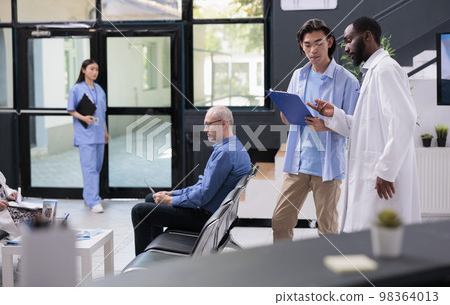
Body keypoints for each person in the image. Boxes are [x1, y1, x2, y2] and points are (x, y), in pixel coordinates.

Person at [308, 16, 421, 232]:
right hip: (372, 177)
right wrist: (335, 114)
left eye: (349, 40)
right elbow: (365, 127)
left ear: (367, 36)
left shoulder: (386, 69)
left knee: (381, 240)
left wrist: (386, 170)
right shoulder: (373, 72)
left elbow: (403, 120)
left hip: (381, 180)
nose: (347, 48)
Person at [272, 19, 359, 242]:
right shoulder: (298, 77)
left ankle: (326, 275)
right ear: (302, 46)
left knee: (327, 231)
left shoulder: (347, 81)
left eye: (318, 43)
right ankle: (284, 273)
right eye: (307, 44)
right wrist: (287, 111)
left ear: (330, 42)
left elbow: (355, 126)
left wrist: (327, 125)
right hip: (298, 164)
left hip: (327, 168)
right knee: (280, 221)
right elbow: (288, 120)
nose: (313, 50)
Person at [131, 106, 252, 256]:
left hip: (204, 219)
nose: (205, 129)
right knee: (151, 199)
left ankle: (145, 264)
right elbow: (202, 186)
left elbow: (203, 195)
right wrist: (173, 194)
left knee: (139, 211)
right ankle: (154, 255)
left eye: (208, 124)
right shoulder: (236, 147)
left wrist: (170, 201)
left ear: (223, 123)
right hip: (212, 214)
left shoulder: (225, 153)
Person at [67, 59, 109, 213]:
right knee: (89, 168)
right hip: (85, 135)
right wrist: (84, 118)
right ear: (83, 70)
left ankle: (88, 197)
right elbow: (71, 110)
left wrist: (105, 131)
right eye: (92, 69)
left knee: (96, 168)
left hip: (98, 134)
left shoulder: (99, 89)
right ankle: (94, 201)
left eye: (97, 69)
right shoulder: (76, 89)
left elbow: (102, 113)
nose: (95, 72)